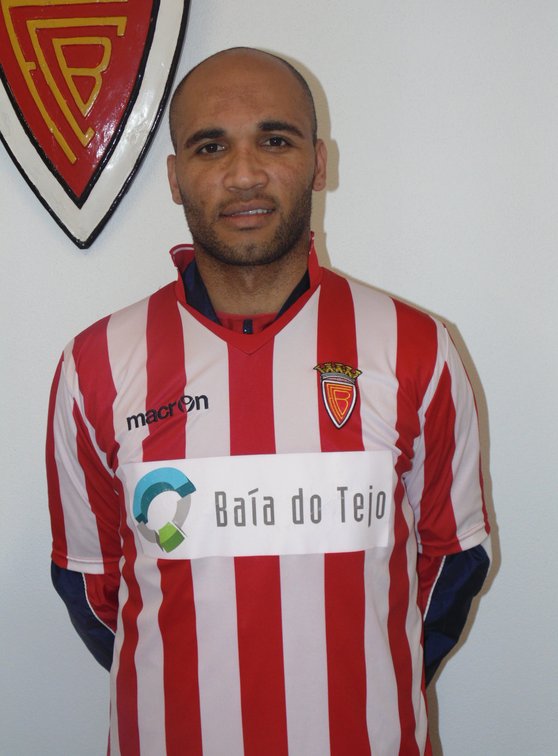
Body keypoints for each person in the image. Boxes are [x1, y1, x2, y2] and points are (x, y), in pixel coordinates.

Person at [46, 47, 491, 756]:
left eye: (275, 140)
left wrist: (370, 678)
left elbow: (454, 562)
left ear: (318, 162)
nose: (244, 173)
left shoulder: (415, 347)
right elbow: (90, 584)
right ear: (174, 177)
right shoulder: (96, 363)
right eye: (211, 146)